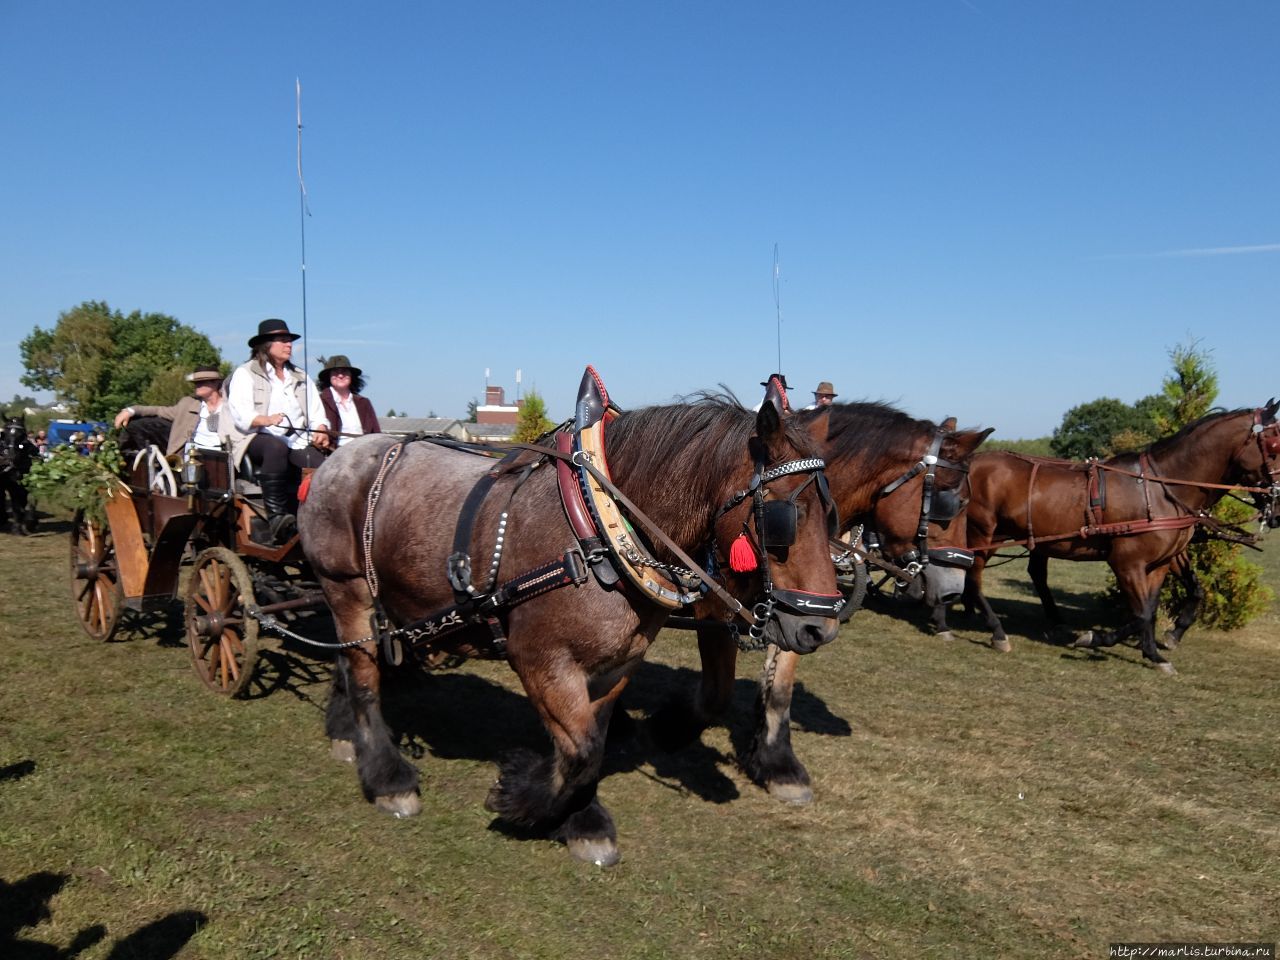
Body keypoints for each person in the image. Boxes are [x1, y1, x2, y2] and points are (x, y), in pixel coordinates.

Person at [226, 318, 330, 545]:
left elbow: (316, 411)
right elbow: (241, 414)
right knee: (276, 447)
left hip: (296, 440)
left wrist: (321, 428)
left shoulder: (301, 376)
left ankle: (317, 519)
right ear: (266, 345)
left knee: (320, 462)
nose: (289, 345)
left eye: (289, 341)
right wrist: (265, 419)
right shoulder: (245, 374)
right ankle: (276, 517)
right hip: (255, 437)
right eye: (282, 340)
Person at [113, 365, 238, 457]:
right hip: (192, 457)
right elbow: (158, 410)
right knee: (137, 425)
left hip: (223, 456)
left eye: (202, 382)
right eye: (196, 383)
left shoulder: (232, 406)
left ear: (216, 383)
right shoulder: (188, 403)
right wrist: (131, 410)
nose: (197, 385)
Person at [317, 355, 381, 447]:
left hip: (365, 453)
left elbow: (376, 433)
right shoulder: (320, 401)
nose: (340, 375)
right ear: (329, 376)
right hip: (333, 455)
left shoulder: (364, 403)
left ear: (351, 376)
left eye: (345, 372)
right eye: (335, 372)